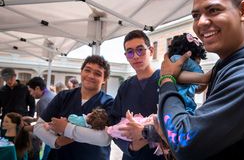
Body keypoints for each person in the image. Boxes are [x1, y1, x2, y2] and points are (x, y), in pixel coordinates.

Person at [157, 0, 244, 159]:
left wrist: (167, 79)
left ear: (243, 11)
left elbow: (184, 141)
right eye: (196, 15)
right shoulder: (226, 66)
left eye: (213, 10)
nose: (201, 22)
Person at [49, 30, 165, 160]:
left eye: (140, 50)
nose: (135, 56)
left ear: (151, 51)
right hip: (132, 155)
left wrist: (146, 133)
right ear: (126, 56)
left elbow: (177, 122)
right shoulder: (125, 87)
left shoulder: (166, 81)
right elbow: (113, 123)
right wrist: (131, 147)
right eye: (130, 52)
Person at [34, 55, 114, 160]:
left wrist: (66, 128)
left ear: (105, 79)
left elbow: (104, 138)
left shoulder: (108, 103)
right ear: (81, 72)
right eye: (87, 70)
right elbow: (38, 127)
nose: (90, 76)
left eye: (97, 74)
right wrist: (57, 141)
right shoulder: (63, 96)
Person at [168, 33, 209, 115]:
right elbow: (204, 79)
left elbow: (199, 88)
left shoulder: (184, 80)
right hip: (181, 112)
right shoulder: (179, 68)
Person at [25, 77, 57, 160]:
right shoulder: (52, 94)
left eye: (31, 91)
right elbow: (49, 117)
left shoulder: (42, 101)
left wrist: (23, 128)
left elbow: (41, 124)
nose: (31, 94)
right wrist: (32, 119)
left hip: (51, 137)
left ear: (37, 88)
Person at [0, 67, 36, 137]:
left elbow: (32, 104)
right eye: (6, 80)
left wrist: (29, 117)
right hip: (6, 122)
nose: (9, 81)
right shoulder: (1, 91)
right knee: (5, 144)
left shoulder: (25, 88)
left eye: (11, 79)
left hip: (22, 121)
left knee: (22, 143)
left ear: (15, 76)